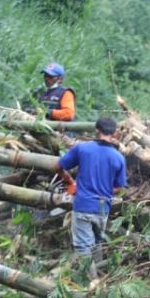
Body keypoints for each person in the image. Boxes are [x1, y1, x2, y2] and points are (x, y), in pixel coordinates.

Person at [56, 117, 127, 280]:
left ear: (97, 130)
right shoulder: (118, 157)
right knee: (96, 244)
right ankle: (102, 278)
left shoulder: (82, 149)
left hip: (83, 204)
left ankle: (92, 284)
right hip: (103, 206)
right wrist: (104, 190)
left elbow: (60, 166)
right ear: (114, 133)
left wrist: (69, 181)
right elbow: (120, 187)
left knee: (83, 248)